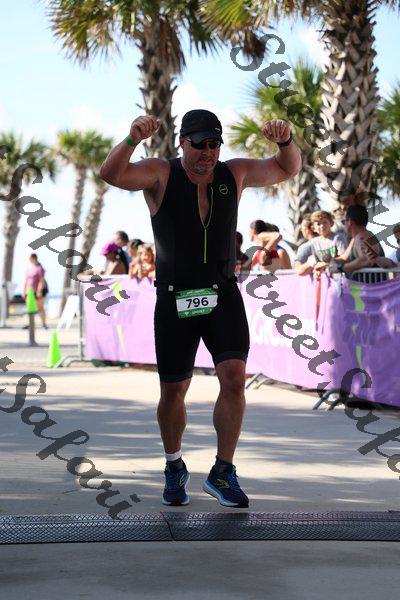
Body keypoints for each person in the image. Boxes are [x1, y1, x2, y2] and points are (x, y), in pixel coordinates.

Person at [99, 109, 301, 508]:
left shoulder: (234, 174)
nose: (207, 153)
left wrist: (285, 141)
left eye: (214, 145)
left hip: (222, 292)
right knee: (174, 390)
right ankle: (174, 465)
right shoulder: (161, 173)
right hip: (175, 297)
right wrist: (132, 139)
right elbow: (112, 174)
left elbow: (286, 168)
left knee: (235, 378)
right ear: (182, 143)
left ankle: (223, 472)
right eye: (199, 145)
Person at [335, 205, 393, 281]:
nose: (344, 225)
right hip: (369, 286)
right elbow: (344, 257)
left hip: (370, 287)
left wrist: (341, 268)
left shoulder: (361, 237)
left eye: (343, 222)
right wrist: (330, 261)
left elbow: (366, 260)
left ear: (350, 222)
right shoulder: (359, 237)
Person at [297, 210, 347, 277]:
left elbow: (344, 258)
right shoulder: (314, 242)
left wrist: (327, 263)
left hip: (341, 277)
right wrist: (316, 271)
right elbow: (316, 262)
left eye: (325, 222)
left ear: (331, 223)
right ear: (313, 228)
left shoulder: (338, 238)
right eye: (318, 224)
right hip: (326, 279)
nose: (322, 226)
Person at [22, 253, 48, 329]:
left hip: (38, 291)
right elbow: (26, 280)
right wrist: (24, 290)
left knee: (40, 307)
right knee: (29, 307)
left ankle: (43, 323)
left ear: (33, 258)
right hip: (29, 291)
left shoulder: (39, 268)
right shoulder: (29, 269)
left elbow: (41, 280)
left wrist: (39, 291)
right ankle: (29, 323)